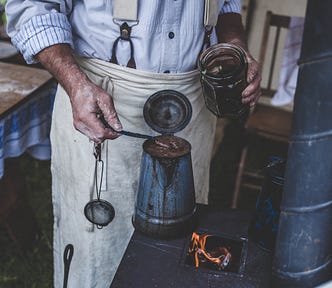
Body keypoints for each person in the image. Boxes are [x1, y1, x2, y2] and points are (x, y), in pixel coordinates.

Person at [5, 0, 261, 287]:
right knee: (99, 249)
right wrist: (76, 84)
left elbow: (227, 6)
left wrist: (235, 48)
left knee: (178, 243)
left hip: (192, 105)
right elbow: (33, 7)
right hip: (100, 97)